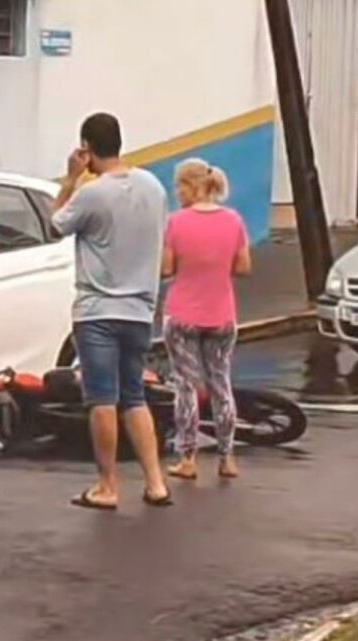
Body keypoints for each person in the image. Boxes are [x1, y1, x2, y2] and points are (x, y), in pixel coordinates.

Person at [52, 113, 172, 510]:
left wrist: (71, 179)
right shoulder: (153, 187)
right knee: (134, 396)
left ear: (86, 147)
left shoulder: (92, 193)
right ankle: (156, 482)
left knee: (102, 398)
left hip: (98, 310)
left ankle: (107, 485)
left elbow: (56, 225)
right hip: (140, 309)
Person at [161, 159, 252, 480]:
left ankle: (187, 458)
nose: (177, 192)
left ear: (192, 186)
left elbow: (166, 269)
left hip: (183, 314)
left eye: (179, 186)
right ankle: (227, 459)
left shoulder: (176, 223)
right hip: (222, 315)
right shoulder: (234, 221)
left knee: (185, 386)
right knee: (220, 383)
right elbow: (243, 268)